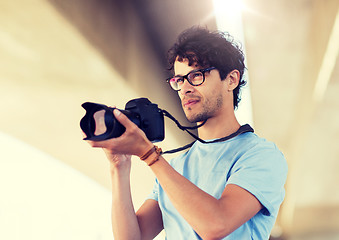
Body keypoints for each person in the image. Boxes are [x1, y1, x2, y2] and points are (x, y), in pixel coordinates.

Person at [85, 26, 288, 240]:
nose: (185, 88)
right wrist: (119, 167)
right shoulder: (176, 167)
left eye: (197, 75)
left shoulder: (262, 156)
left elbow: (216, 225)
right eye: (179, 80)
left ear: (232, 79)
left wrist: (149, 155)